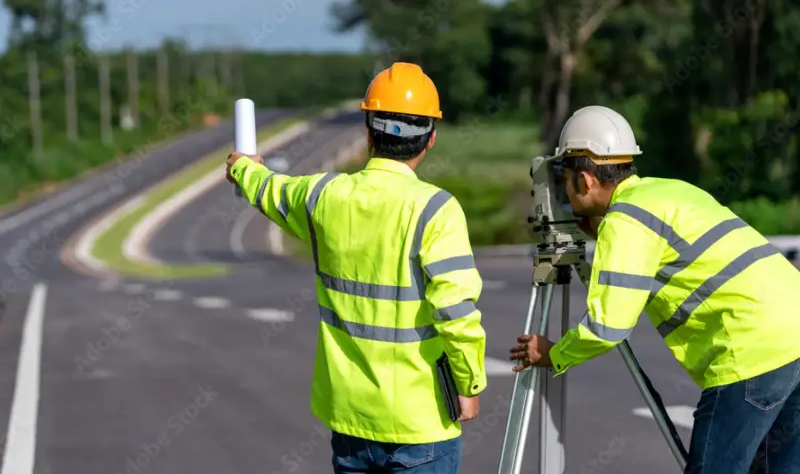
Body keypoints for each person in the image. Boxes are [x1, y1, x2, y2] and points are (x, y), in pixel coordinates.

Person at [509, 105, 800, 474]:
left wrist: (555, 353)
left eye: (564, 178)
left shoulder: (625, 223)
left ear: (584, 180)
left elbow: (607, 327)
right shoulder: (666, 191)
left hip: (750, 353)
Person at [226, 62, 486, 473]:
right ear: (431, 138)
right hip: (421, 425)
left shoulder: (323, 196)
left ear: (368, 131)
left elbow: (270, 189)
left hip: (350, 421)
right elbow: (456, 312)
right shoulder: (437, 211)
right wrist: (469, 384)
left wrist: (243, 167)